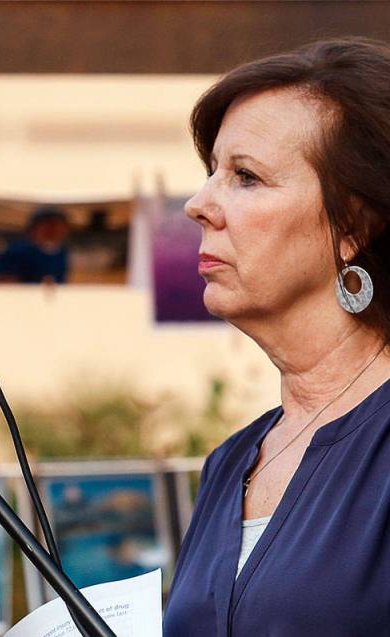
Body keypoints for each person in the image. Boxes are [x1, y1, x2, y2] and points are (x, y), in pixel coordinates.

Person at [164, 38, 390, 635]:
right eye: (211, 172)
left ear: (353, 225)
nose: (198, 205)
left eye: (246, 177)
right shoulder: (230, 462)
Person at [0, 206, 70, 284]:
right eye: (50, 225)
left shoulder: (61, 252)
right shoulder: (16, 252)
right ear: (35, 227)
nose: (55, 230)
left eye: (59, 225)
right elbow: (4, 284)